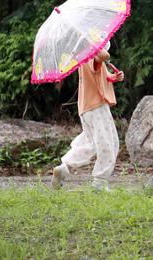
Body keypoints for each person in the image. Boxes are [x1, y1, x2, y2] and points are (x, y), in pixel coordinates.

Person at [51, 41, 124, 191]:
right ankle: (100, 181)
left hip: (87, 108)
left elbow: (98, 75)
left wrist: (113, 77)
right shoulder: (92, 54)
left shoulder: (85, 57)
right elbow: (104, 55)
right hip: (96, 107)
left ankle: (64, 167)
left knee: (90, 142)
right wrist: (96, 44)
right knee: (109, 142)